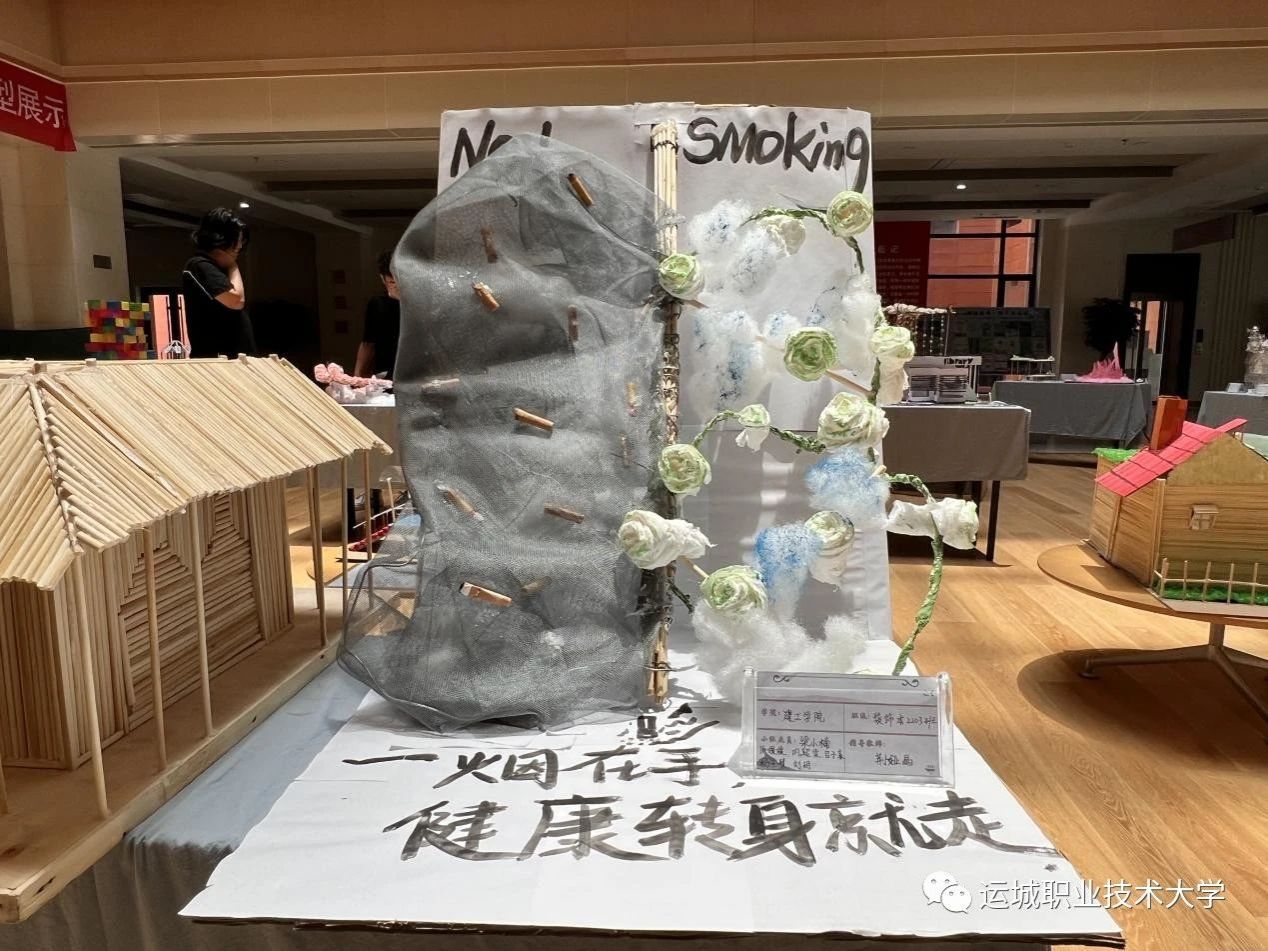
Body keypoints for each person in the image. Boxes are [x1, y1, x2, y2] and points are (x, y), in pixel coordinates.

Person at [182, 208, 256, 358]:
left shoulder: (217, 267)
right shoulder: (199, 265)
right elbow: (236, 300)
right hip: (218, 359)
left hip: (232, 358)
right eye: (237, 239)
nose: (240, 246)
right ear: (221, 239)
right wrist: (233, 266)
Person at [354, 251, 401, 378]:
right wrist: (357, 375)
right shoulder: (378, 304)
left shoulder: (421, 303)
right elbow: (368, 342)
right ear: (383, 279)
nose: (399, 287)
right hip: (384, 374)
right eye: (392, 282)